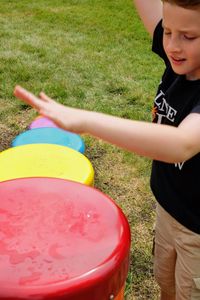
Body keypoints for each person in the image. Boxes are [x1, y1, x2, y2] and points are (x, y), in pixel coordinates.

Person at [14, 0, 200, 299]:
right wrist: (179, 33)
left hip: (197, 231)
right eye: (167, 31)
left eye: (188, 37)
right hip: (169, 210)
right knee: (167, 284)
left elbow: (181, 145)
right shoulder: (181, 57)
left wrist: (87, 120)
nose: (173, 46)